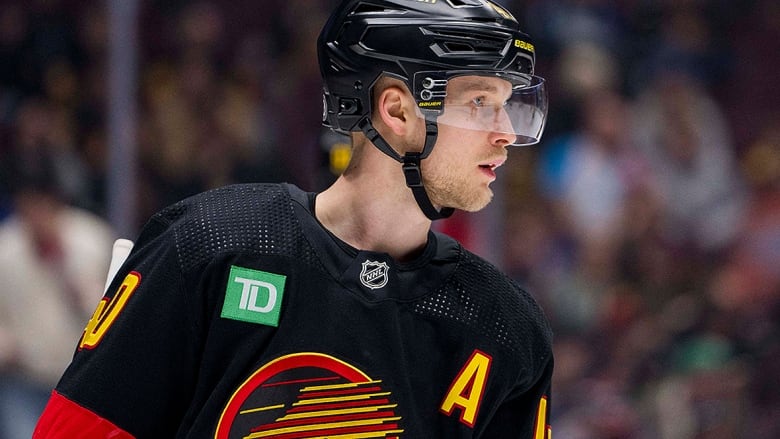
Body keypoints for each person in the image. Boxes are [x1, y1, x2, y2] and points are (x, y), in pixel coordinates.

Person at [33, 1, 553, 437]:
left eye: (508, 105)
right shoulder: (211, 244)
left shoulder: (505, 327)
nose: (505, 132)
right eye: (481, 102)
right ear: (396, 111)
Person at [0, 150, 114, 439]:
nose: (37, 216)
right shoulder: (5, 250)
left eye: (43, 206)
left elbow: (114, 311)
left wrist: (71, 274)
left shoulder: (92, 240)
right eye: (28, 206)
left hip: (79, 381)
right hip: (24, 379)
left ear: (57, 203)